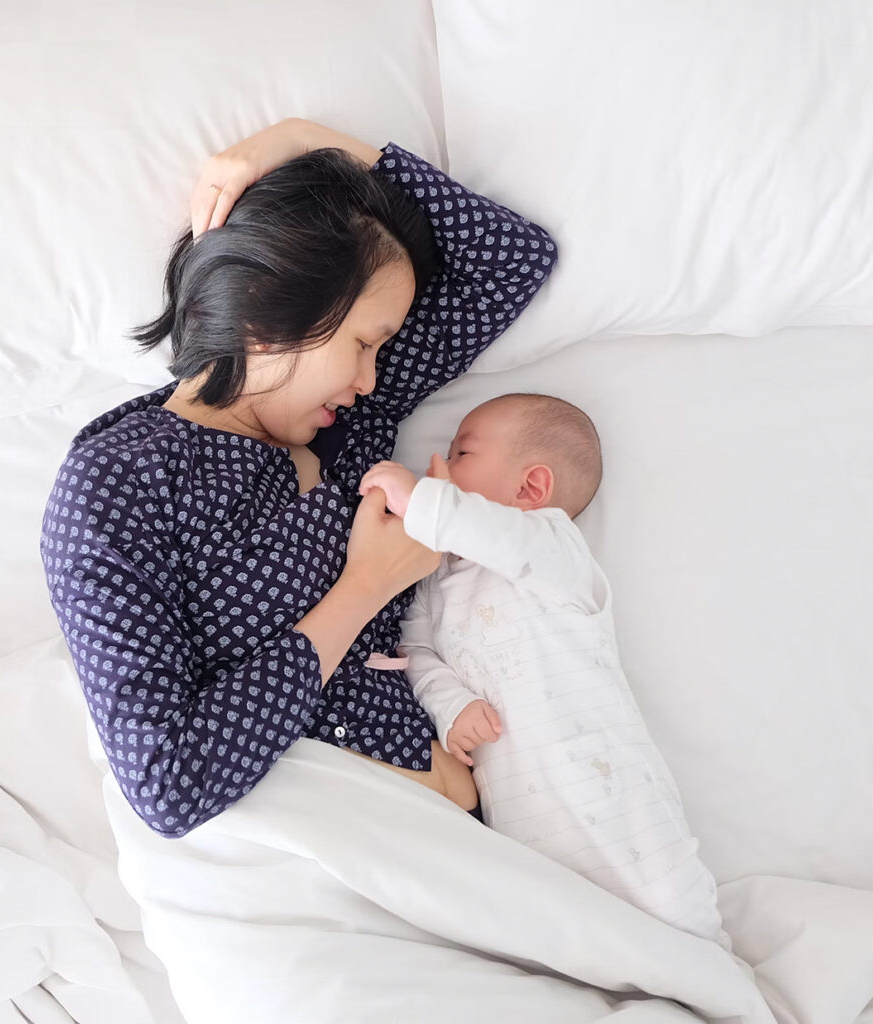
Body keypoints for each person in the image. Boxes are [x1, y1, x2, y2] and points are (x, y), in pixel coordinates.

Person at [39, 118, 557, 837]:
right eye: (364, 343)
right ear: (269, 309)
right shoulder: (117, 482)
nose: (373, 374)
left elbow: (511, 260)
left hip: (460, 841)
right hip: (318, 854)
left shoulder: (351, 423)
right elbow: (167, 782)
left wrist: (307, 140)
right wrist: (364, 587)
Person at [358, 393, 730, 944]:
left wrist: (422, 499)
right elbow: (418, 653)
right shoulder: (439, 575)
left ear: (530, 489)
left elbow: (488, 532)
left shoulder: (553, 546)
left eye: (460, 453)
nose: (440, 464)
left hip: (617, 800)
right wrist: (451, 705)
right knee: (568, 944)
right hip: (527, 831)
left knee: (678, 919)